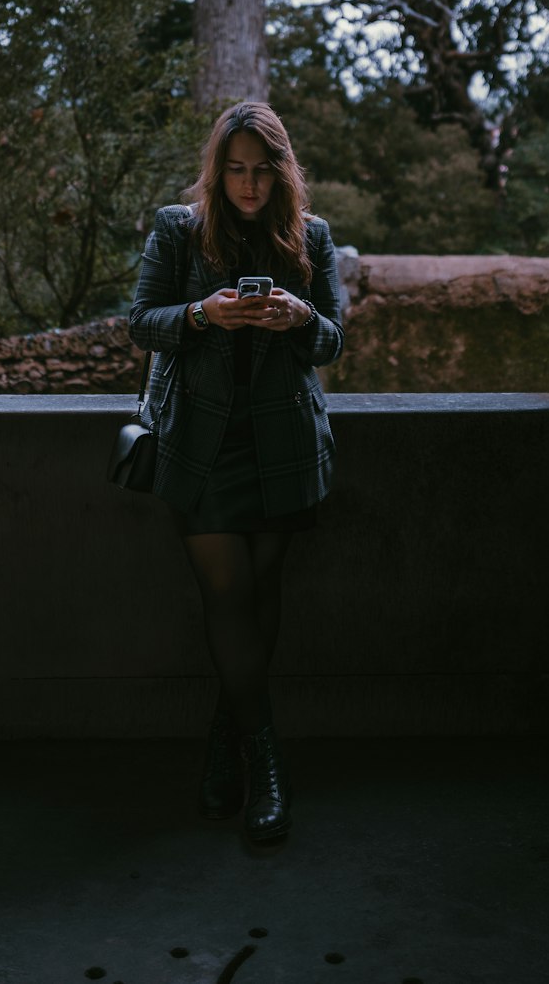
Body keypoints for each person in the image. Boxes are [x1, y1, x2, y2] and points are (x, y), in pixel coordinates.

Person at [128, 100, 344, 843]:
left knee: (260, 592)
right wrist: (202, 316)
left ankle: (226, 740)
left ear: (283, 173)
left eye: (262, 171)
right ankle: (268, 759)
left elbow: (332, 344)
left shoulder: (309, 238)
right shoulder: (177, 230)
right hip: (201, 447)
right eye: (236, 170)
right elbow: (139, 320)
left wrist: (301, 319)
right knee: (227, 591)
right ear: (216, 171)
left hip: (283, 446)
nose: (249, 186)